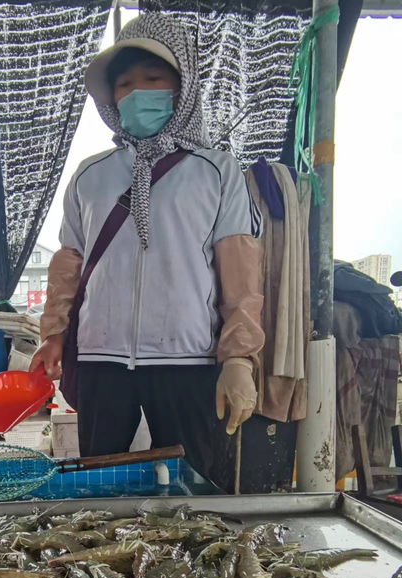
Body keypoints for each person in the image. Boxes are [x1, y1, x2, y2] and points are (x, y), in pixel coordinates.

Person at [31, 14, 264, 483]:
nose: (138, 92)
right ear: (111, 96)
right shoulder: (90, 175)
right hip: (101, 358)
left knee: (194, 487)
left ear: (182, 85)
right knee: (98, 484)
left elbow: (240, 277)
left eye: (153, 78)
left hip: (188, 358)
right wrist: (53, 334)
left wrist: (238, 358)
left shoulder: (216, 171)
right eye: (124, 83)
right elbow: (68, 263)